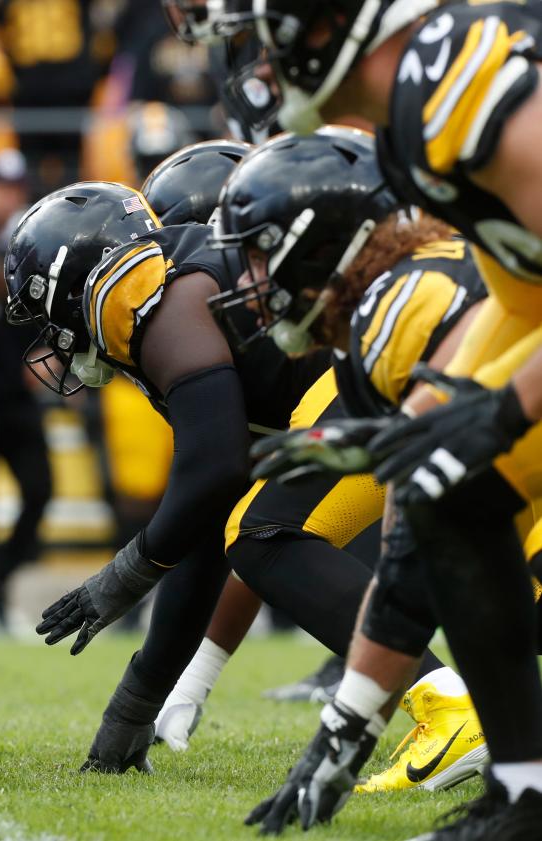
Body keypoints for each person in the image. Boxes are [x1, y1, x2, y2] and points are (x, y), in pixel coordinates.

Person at [224, 3, 542, 836]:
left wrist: (504, 409)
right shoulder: (408, 130)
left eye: (273, 30)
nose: (264, 59)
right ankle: (523, 790)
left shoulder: (453, 84)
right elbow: (518, 301)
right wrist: (347, 725)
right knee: (440, 487)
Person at [156, 130, 489, 798]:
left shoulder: (408, 305)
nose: (246, 285)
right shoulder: (389, 303)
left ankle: (464, 719)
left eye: (256, 255)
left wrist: (348, 721)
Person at [6, 177, 327, 773]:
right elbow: (209, 516)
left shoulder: (168, 302)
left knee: (266, 535)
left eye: (52, 313)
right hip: (375, 395)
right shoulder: (184, 295)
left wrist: (129, 571)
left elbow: (215, 468)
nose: (55, 337)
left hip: (393, 387)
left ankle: (445, 705)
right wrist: (135, 706)